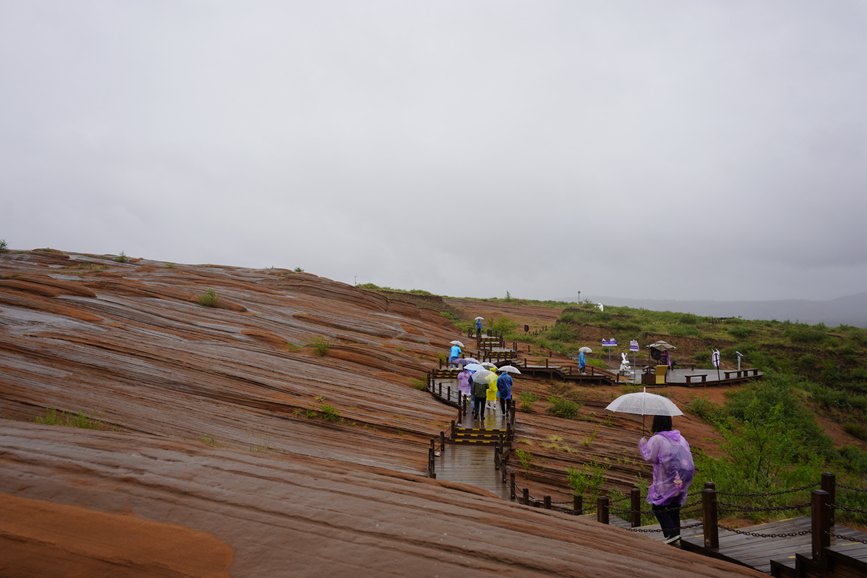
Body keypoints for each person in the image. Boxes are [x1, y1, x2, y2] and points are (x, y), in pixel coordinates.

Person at [639, 415, 695, 544]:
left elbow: (650, 458)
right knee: (674, 505)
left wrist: (643, 444)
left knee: (658, 506)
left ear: (656, 423)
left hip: (667, 478)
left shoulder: (657, 438)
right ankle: (676, 536)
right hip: (682, 477)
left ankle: (671, 534)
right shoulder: (680, 437)